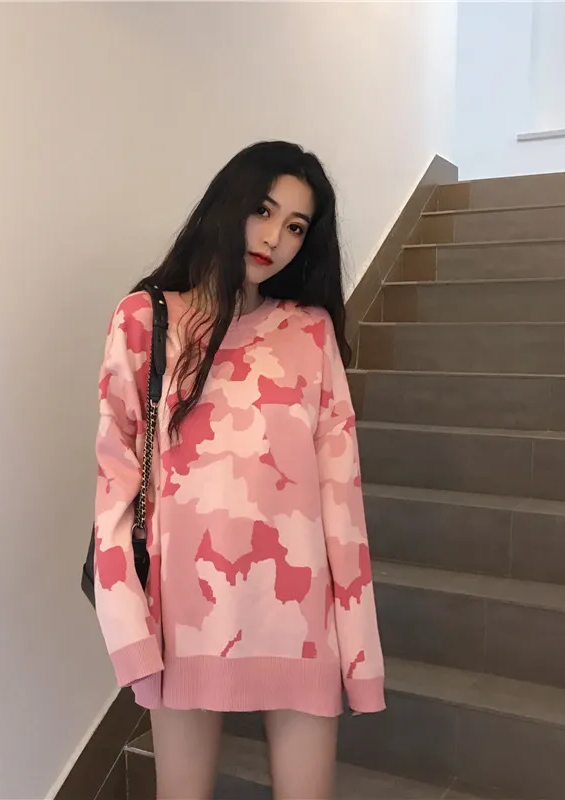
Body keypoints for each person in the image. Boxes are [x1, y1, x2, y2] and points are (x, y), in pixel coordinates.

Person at [92, 141, 385, 800]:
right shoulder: (145, 320)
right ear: (229, 203)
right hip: (185, 619)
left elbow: (342, 499)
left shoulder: (310, 332)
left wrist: (360, 651)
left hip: (299, 621)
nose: (275, 238)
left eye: (296, 226)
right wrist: (129, 632)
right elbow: (115, 485)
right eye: (263, 210)